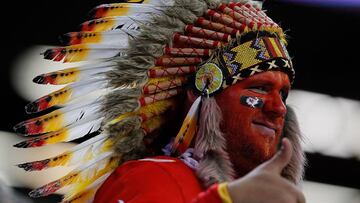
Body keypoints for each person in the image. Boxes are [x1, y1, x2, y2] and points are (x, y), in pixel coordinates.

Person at [12, 0, 306, 202]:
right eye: (258, 89)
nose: (278, 108)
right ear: (203, 96)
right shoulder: (151, 176)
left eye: (283, 94)